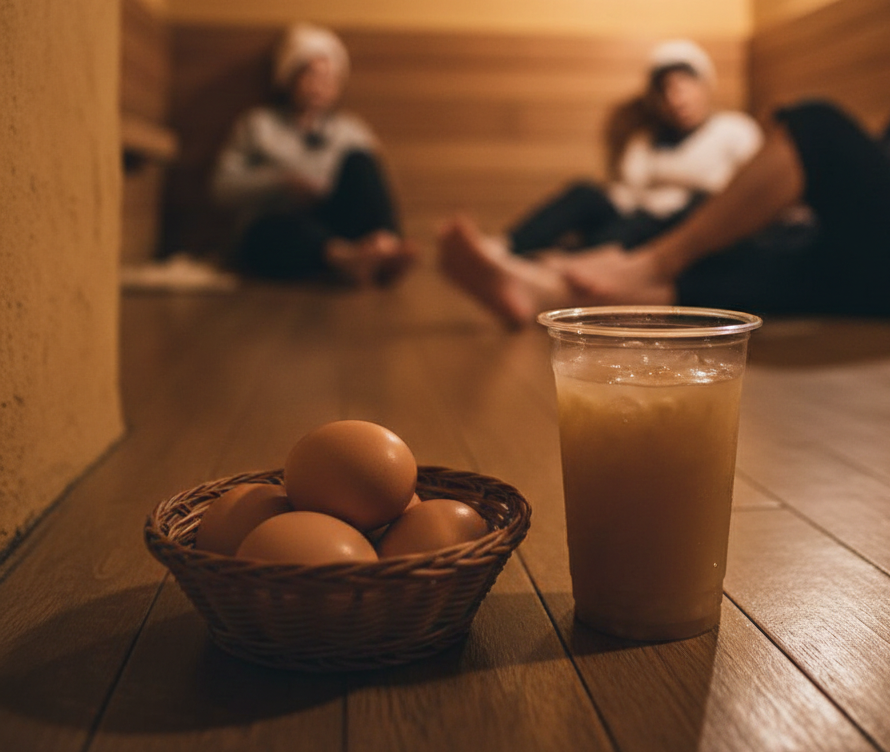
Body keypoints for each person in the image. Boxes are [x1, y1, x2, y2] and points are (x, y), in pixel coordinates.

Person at [436, 99, 890, 325]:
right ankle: (542, 289)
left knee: (818, 127)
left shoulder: (727, 130)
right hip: (858, 263)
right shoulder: (651, 142)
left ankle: (641, 265)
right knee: (758, 260)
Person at [439, 39, 765, 317]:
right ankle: (504, 251)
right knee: (587, 193)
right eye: (666, 89)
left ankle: (548, 272)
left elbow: (748, 193)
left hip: (691, 224)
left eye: (684, 84)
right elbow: (627, 194)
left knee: (686, 207)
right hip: (636, 223)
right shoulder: (646, 142)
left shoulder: (734, 130)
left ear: (705, 85)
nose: (676, 97)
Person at [213, 23, 416, 286]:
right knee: (267, 231)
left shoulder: (351, 130)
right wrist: (280, 183)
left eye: (328, 78)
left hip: (336, 221)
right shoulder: (258, 125)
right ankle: (346, 259)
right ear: (289, 77)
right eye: (311, 75)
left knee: (361, 160)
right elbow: (221, 188)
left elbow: (374, 188)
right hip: (281, 225)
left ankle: (386, 248)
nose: (319, 85)